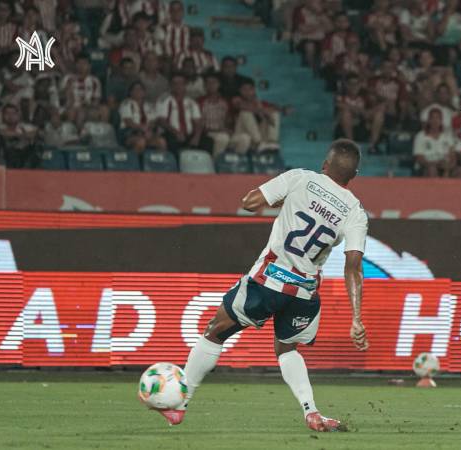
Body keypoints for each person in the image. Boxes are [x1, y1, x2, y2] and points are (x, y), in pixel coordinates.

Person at [157, 139, 370, 431]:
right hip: (304, 293)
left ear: (324, 164)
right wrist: (356, 318)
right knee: (286, 349)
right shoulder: (355, 210)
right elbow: (353, 265)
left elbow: (249, 203)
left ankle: (179, 405)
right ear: (353, 177)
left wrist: (285, 201)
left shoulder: (300, 178)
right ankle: (311, 411)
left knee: (215, 331)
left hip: (269, 280)